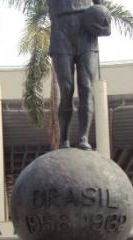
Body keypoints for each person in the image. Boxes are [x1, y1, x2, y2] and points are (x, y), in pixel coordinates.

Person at [48, 0, 110, 150]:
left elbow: (100, 3)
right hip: (61, 27)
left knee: (86, 87)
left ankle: (84, 137)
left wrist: (104, 18)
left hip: (86, 27)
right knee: (66, 89)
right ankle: (64, 139)